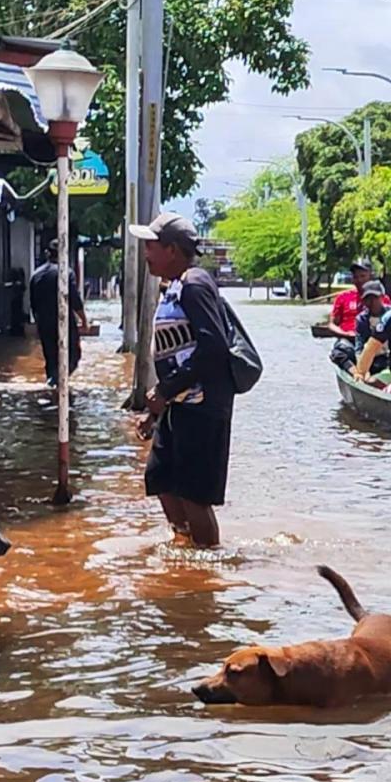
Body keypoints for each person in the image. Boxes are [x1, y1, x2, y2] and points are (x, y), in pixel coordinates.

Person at [129, 211, 236, 548]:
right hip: (178, 406)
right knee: (160, 479)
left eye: (151, 246)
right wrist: (157, 410)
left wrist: (165, 390)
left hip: (203, 407)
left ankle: (207, 565)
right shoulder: (173, 288)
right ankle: (184, 547)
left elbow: (213, 348)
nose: (146, 253)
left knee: (194, 495)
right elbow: (178, 351)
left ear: (172, 250)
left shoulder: (195, 284)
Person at [29, 239, 87, 386]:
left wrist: (38, 323)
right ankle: (57, 381)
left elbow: (33, 304)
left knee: (51, 358)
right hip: (64, 323)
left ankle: (53, 385)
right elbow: (75, 300)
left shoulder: (36, 275)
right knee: (73, 355)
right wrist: (84, 321)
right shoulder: (66, 273)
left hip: (44, 324)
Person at [328, 261, 373, 371]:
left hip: (372, 342)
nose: (359, 280)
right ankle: (354, 372)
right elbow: (332, 324)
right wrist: (346, 334)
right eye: (356, 277)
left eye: (363, 276)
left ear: (370, 276)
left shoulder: (381, 298)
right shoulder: (343, 297)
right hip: (349, 342)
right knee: (339, 351)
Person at [350, 279, 391, 374]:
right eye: (368, 299)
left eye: (375, 298)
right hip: (372, 359)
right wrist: (362, 370)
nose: (371, 302)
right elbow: (359, 346)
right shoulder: (361, 319)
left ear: (382, 297)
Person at [6, 267, 27, 336]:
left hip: (14, 300)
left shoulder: (15, 284)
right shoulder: (19, 283)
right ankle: (18, 329)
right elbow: (24, 288)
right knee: (17, 314)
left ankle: (15, 329)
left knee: (15, 315)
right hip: (17, 299)